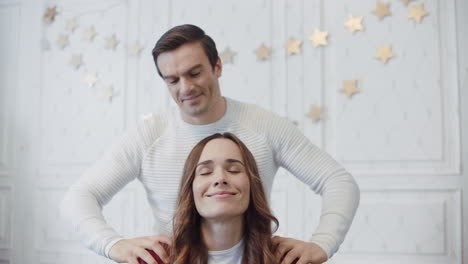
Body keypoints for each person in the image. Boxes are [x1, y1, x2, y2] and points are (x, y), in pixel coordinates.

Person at [60, 24, 360, 264]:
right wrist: (114, 245)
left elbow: (337, 181)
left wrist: (322, 245)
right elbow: (79, 197)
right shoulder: (148, 135)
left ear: (217, 66)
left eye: (194, 73)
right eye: (172, 80)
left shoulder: (264, 126)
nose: (186, 88)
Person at [171, 132, 278, 264]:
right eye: (205, 172)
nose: (220, 178)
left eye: (234, 170)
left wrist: (312, 249)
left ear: (252, 185)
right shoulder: (155, 259)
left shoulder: (286, 258)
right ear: (190, 188)